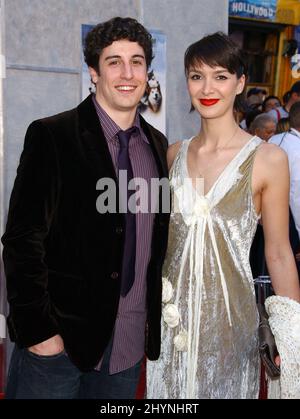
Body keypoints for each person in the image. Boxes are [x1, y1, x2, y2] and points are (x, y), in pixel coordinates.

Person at [1, 17, 169, 399]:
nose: (127, 73)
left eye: (137, 61)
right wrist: (39, 332)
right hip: (58, 345)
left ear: (147, 70)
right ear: (93, 72)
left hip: (126, 348)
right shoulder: (53, 136)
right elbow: (22, 240)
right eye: (114, 62)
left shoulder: (158, 145)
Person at [147, 32, 300, 399]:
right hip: (171, 327)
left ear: (240, 82)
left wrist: (291, 336)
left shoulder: (267, 159)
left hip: (232, 330)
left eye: (220, 75)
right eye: (197, 76)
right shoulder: (172, 155)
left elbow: (278, 252)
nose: (207, 87)